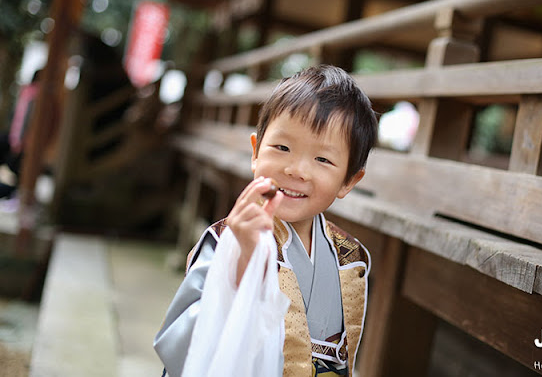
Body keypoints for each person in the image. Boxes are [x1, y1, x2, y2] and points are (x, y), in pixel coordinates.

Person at [154, 65, 378, 376]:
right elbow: (183, 349)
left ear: (349, 181)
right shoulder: (226, 240)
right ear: (256, 151)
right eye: (282, 148)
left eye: (322, 159)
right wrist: (241, 263)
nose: (297, 170)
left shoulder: (351, 258)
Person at [0, 69, 42, 200]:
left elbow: (18, 118)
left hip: (17, 138)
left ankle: (11, 195)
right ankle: (10, 194)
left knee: (14, 170)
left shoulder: (28, 92)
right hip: (20, 139)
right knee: (15, 171)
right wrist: (19, 140)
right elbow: (24, 119)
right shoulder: (35, 94)